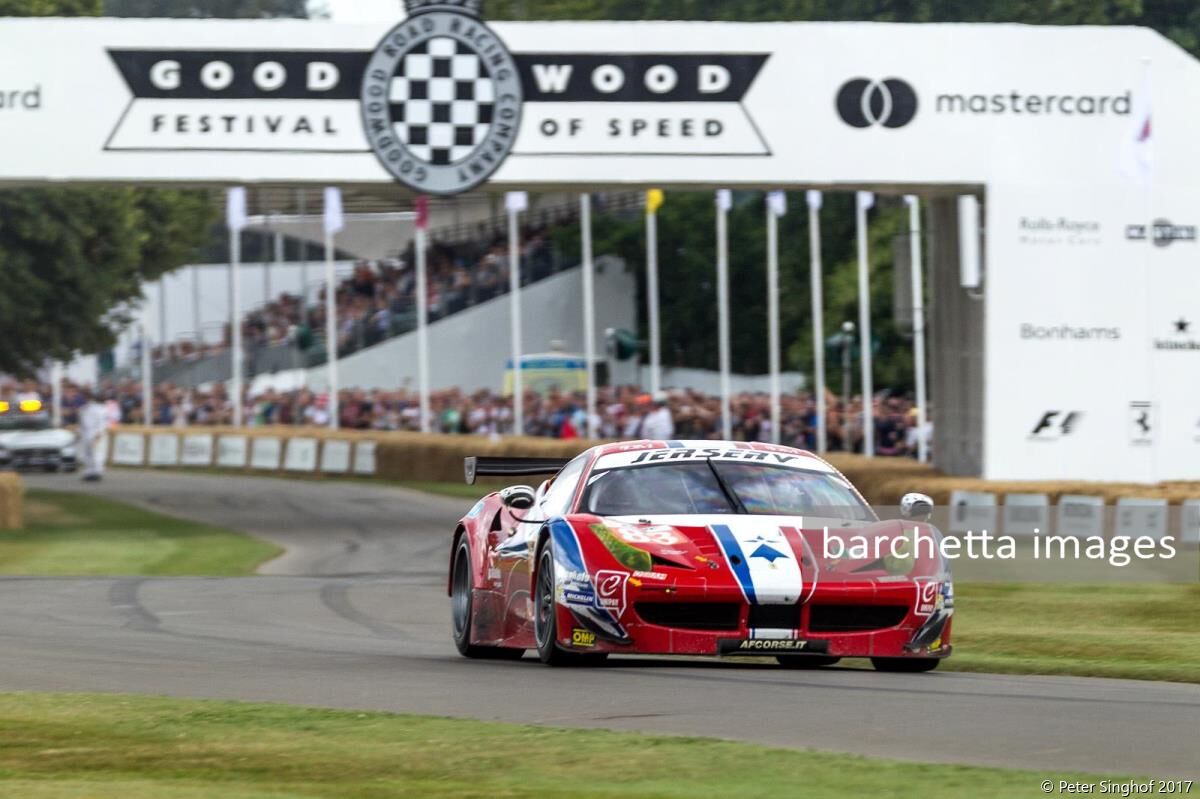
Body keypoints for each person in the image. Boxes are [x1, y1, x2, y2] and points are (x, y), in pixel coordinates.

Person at [78, 388, 111, 482]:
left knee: (96, 452)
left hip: (95, 432)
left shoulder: (100, 409)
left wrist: (99, 433)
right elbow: (82, 423)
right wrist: (80, 432)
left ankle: (97, 472)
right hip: (86, 432)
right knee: (86, 453)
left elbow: (102, 423)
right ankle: (89, 471)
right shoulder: (83, 409)